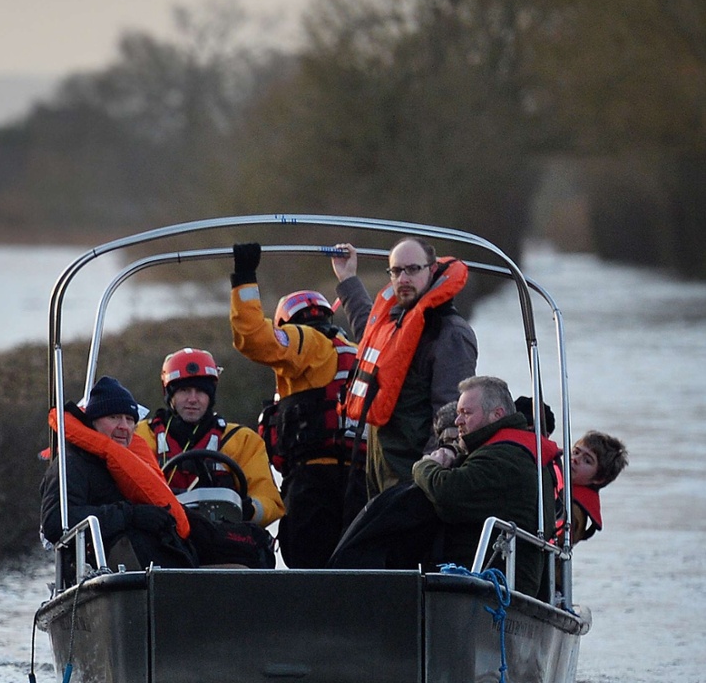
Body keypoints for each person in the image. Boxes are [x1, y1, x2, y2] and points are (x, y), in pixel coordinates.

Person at [328, 375, 562, 594]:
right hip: (493, 574)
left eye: (466, 413)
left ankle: (346, 582)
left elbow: (447, 494)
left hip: (495, 582)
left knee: (411, 502)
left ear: (497, 415)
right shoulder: (514, 451)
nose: (458, 421)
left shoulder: (504, 456)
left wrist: (426, 465)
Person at [226, 241, 359, 569]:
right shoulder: (356, 351)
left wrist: (244, 278)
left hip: (315, 484)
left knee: (305, 570)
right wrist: (351, 279)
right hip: (361, 482)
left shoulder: (307, 343)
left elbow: (255, 339)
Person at [331, 237, 478, 497]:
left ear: (432, 270)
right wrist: (348, 279)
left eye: (412, 269)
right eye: (396, 271)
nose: (403, 278)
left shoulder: (450, 334)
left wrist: (425, 481)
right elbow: (370, 332)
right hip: (380, 472)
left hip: (410, 480)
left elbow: (452, 414)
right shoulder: (398, 320)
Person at [39, 376, 196, 586]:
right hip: (98, 577)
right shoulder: (71, 464)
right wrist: (130, 515)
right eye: (114, 417)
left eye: (130, 419)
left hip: (146, 571)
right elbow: (55, 522)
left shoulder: (124, 463)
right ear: (93, 422)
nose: (124, 426)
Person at [134, 347, 285, 527]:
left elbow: (270, 501)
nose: (192, 399)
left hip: (222, 539)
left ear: (211, 396)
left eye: (200, 391)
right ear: (170, 396)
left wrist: (246, 509)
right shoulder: (140, 435)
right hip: (160, 536)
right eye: (184, 391)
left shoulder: (242, 440)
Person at [567, 430, 628, 545]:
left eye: (587, 460)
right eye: (575, 452)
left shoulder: (574, 514)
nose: (575, 459)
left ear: (598, 479)